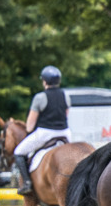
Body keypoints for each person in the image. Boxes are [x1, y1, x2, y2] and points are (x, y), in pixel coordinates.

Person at [13, 65, 72, 196]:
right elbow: (66, 115)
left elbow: (30, 123)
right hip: (65, 133)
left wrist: (29, 132)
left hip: (46, 133)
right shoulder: (66, 96)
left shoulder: (40, 97)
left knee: (18, 152)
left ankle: (27, 184)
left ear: (44, 81)